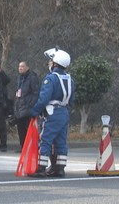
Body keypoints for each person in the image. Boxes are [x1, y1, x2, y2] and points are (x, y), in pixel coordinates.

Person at [29, 48, 75, 178]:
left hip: (51, 112)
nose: (49, 63)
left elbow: (44, 99)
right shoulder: (70, 79)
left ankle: (40, 169)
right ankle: (59, 169)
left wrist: (34, 111)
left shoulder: (50, 79)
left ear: (55, 63)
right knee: (61, 141)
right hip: (64, 112)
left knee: (45, 139)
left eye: (51, 61)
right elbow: (72, 100)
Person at [14, 61, 40, 151]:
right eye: (19, 66)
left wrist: (30, 104)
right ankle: (23, 147)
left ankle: (31, 147)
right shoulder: (19, 78)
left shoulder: (32, 77)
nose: (20, 68)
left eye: (22, 66)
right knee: (20, 129)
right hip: (20, 107)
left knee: (29, 129)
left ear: (27, 67)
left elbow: (35, 93)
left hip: (27, 108)